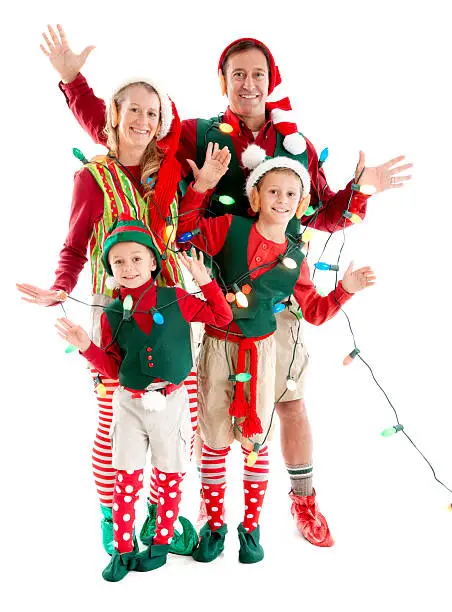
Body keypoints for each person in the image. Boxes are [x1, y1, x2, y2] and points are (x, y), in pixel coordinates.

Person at [41, 25, 410, 545]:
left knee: (288, 397)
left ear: (272, 79)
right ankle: (187, 516)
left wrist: (361, 190)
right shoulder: (201, 133)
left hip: (281, 288)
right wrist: (73, 82)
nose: (249, 83)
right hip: (207, 293)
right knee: (190, 405)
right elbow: (129, 134)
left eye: (258, 74)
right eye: (238, 74)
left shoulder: (296, 144)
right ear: (223, 81)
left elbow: (324, 213)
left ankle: (302, 502)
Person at [16, 60, 231, 555]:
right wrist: (58, 286)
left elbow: (184, 229)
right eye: (133, 109)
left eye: (152, 112)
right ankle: (114, 516)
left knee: (182, 418)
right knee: (117, 419)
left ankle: (160, 515)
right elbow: (74, 247)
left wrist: (199, 189)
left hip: (174, 306)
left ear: (161, 121)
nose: (143, 120)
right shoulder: (93, 178)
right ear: (114, 115)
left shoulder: (169, 172)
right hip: (117, 311)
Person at [175, 147, 375, 562]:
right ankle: (214, 525)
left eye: (290, 194)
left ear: (301, 203)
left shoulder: (295, 259)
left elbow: (316, 311)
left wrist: (346, 289)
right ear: (256, 197)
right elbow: (185, 234)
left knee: (255, 440)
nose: (281, 200)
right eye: (273, 192)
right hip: (217, 344)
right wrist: (202, 187)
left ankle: (250, 528)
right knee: (213, 438)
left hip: (262, 355)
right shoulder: (228, 228)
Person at [53, 215, 233, 580]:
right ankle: (122, 550)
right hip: (129, 403)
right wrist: (86, 346)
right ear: (109, 269)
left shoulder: (176, 298)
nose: (128, 267)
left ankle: (159, 547)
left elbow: (222, 315)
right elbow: (112, 367)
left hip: (172, 402)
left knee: (169, 474)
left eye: (137, 258)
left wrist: (205, 281)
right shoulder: (112, 312)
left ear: (153, 261)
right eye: (118, 261)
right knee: (126, 476)